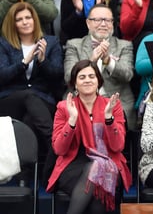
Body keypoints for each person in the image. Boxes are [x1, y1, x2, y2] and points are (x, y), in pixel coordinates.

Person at [46, 60, 132, 214]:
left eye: (92, 76)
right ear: (74, 83)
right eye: (82, 77)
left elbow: (118, 147)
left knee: (97, 170)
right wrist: (72, 121)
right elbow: (59, 149)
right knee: (95, 182)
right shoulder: (64, 108)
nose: (87, 80)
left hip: (108, 162)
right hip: (73, 164)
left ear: (98, 81)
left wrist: (108, 118)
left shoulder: (113, 106)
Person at [0, 2, 63, 150]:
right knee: (28, 95)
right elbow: (2, 76)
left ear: (34, 19)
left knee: (30, 121)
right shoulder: (4, 44)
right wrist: (23, 63)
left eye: (28, 17)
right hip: (10, 101)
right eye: (19, 19)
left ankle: (29, 171)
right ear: (13, 24)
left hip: (43, 101)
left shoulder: (51, 42)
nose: (25, 22)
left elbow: (58, 76)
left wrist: (43, 61)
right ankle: (54, 142)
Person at [64, 4, 137, 131]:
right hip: (81, 100)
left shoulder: (124, 45)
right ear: (88, 23)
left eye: (107, 20)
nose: (103, 24)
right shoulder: (74, 45)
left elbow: (127, 75)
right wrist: (91, 61)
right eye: (98, 20)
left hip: (115, 101)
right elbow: (69, 77)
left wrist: (108, 61)